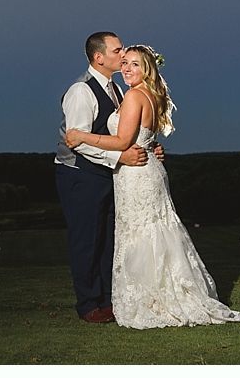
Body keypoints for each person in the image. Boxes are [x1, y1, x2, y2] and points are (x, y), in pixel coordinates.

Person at [66, 45, 240, 329]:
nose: (127, 68)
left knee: (141, 234)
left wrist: (81, 136)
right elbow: (142, 136)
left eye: (134, 64)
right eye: (124, 62)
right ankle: (159, 294)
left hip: (136, 173)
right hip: (145, 168)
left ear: (147, 69)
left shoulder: (133, 95)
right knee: (154, 231)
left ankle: (151, 300)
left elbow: (122, 142)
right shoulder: (149, 94)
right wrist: (151, 147)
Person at [55, 32, 163, 324]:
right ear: (98, 57)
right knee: (87, 240)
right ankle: (89, 305)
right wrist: (120, 158)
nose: (123, 54)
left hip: (108, 174)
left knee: (107, 240)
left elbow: (127, 131)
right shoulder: (81, 91)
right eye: (117, 50)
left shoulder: (116, 88)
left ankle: (107, 300)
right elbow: (77, 141)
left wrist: (148, 146)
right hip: (80, 174)